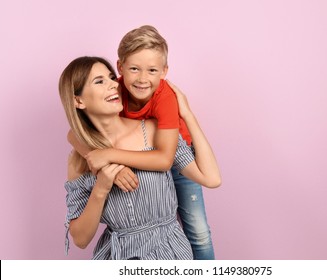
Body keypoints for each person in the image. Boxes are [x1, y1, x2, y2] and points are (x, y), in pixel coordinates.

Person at [68, 25, 218, 259]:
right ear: (122, 68)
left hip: (171, 153)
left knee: (199, 232)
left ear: (164, 71)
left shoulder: (163, 104)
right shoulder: (121, 87)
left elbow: (167, 160)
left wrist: (187, 114)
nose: (112, 84)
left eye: (152, 70)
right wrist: (104, 176)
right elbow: (74, 134)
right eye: (134, 69)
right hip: (119, 254)